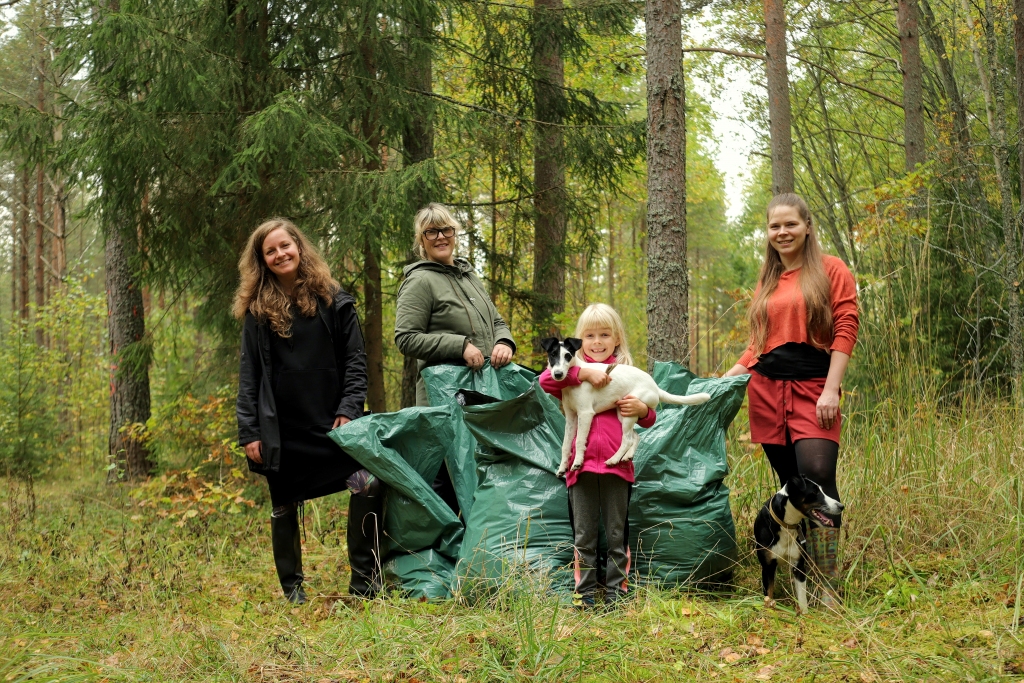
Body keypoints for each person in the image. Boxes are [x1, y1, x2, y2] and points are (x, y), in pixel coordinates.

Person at [235, 218, 382, 603]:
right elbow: (249, 374)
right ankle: (293, 591)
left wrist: (350, 409)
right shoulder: (257, 312)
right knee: (282, 502)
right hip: (281, 429)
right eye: (271, 251)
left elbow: (355, 362)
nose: (280, 254)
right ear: (262, 260)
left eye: (285, 245)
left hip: (334, 423)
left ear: (299, 247)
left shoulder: (335, 299)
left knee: (367, 484)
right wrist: (249, 430)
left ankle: (364, 582)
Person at [723, 193, 858, 607]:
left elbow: (846, 327)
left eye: (790, 224)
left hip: (814, 388)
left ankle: (826, 587)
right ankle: (799, 579)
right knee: (794, 491)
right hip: (766, 391)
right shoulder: (768, 277)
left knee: (820, 480)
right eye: (774, 226)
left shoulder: (831, 269)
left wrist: (831, 388)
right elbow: (758, 345)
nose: (782, 232)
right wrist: (722, 382)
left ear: (807, 226)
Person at [394, 203, 516, 512]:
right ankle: (447, 555)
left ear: (454, 233)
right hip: (444, 398)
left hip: (483, 395)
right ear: (421, 240)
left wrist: (504, 342)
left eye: (445, 229)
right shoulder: (420, 281)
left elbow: (496, 321)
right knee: (447, 479)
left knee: (480, 474)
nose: (440, 237)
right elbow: (405, 338)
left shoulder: (468, 276)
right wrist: (459, 346)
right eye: (431, 232)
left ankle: (482, 549)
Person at [539, 303, 654, 609]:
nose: (597, 341)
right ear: (579, 341)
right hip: (582, 466)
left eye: (605, 334)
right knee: (584, 535)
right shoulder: (569, 368)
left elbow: (648, 417)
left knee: (617, 534)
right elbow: (546, 381)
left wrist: (642, 410)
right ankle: (585, 594)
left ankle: (617, 593)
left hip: (618, 467)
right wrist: (583, 372)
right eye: (590, 335)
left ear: (617, 339)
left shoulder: (625, 374)